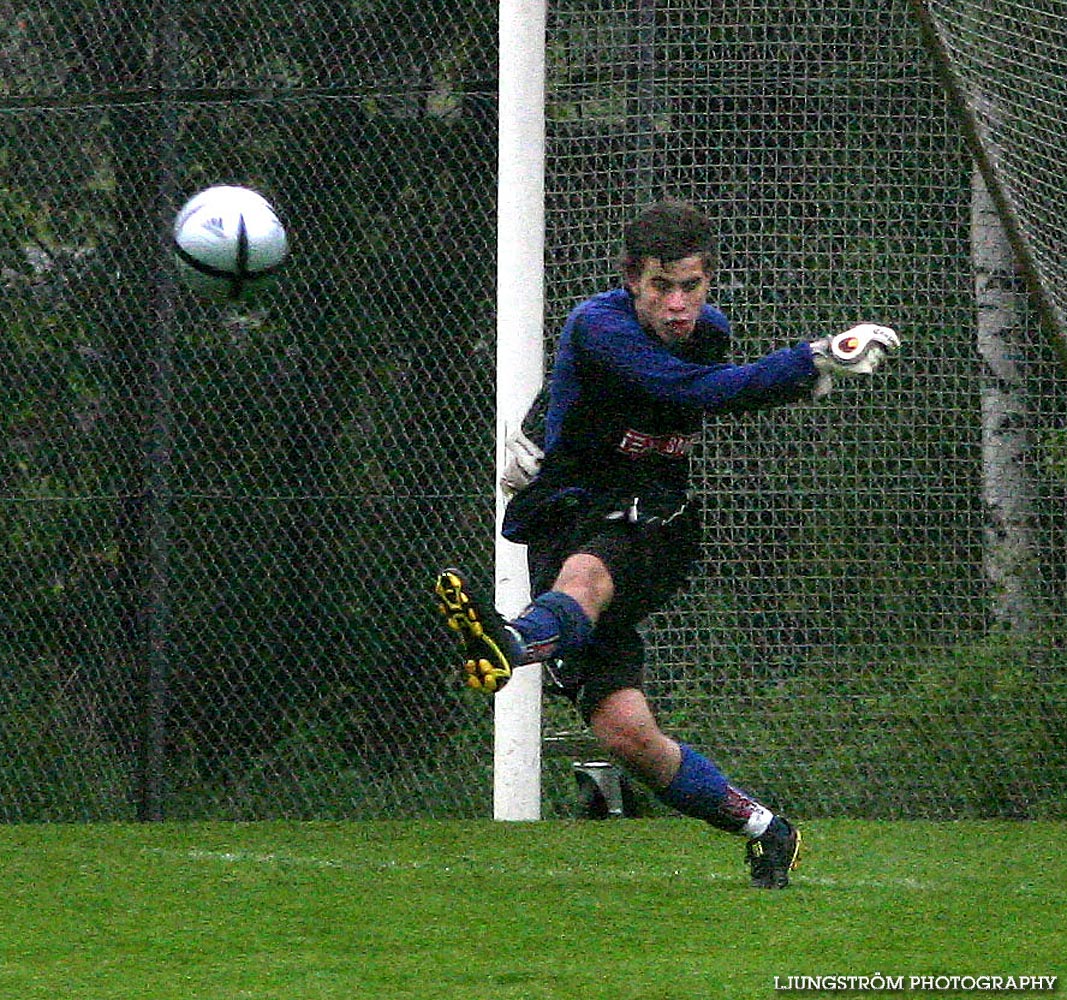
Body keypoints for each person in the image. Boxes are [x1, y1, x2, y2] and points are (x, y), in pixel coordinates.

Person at [435, 199, 899, 888]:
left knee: (584, 582)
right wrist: (536, 433)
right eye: (661, 286)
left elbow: (701, 392)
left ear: (708, 281)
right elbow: (641, 383)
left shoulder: (707, 331)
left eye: (691, 285)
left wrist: (811, 363)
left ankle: (505, 645)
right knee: (627, 737)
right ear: (631, 280)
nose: (678, 305)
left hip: (653, 522)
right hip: (569, 519)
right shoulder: (598, 324)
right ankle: (766, 829)